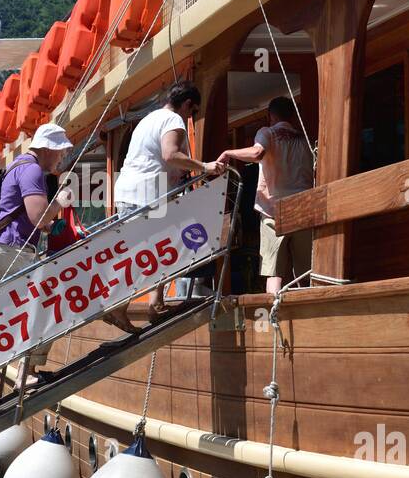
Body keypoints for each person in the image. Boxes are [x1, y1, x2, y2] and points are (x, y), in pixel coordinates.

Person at [0, 124, 73, 412]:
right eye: (59, 153)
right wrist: (60, 201)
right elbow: (39, 217)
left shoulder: (14, 166)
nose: (60, 159)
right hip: (13, 251)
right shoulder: (32, 170)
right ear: (48, 148)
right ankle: (26, 372)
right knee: (45, 306)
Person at [109, 82, 221, 323]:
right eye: (193, 112)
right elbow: (170, 154)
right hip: (147, 196)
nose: (191, 117)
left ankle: (154, 303)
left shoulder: (149, 119)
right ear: (188, 104)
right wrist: (204, 166)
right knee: (157, 250)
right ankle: (123, 306)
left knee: (159, 247)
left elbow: (158, 159)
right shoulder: (174, 121)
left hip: (130, 193)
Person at [216, 96, 314, 293]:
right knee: (305, 273)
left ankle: (273, 317)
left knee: (274, 272)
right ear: (293, 115)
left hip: (274, 211)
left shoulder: (267, 133)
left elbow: (256, 153)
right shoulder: (304, 140)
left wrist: (228, 152)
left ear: (270, 116)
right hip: (303, 208)